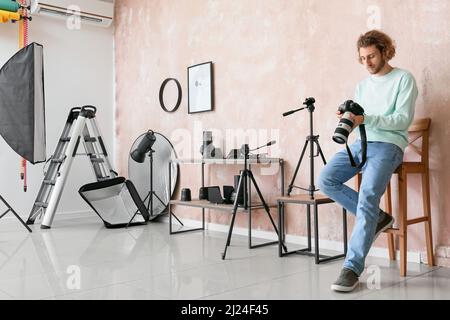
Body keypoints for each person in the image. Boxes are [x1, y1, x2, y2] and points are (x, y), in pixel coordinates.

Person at [317, 30, 418, 292]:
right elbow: (358, 121)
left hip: (389, 145)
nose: (367, 63)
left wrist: (366, 119)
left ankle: (351, 268)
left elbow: (402, 121)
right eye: (362, 58)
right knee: (326, 179)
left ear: (385, 52)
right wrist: (347, 119)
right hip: (360, 143)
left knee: (368, 195)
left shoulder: (403, 79)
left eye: (371, 56)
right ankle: (378, 218)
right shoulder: (362, 86)